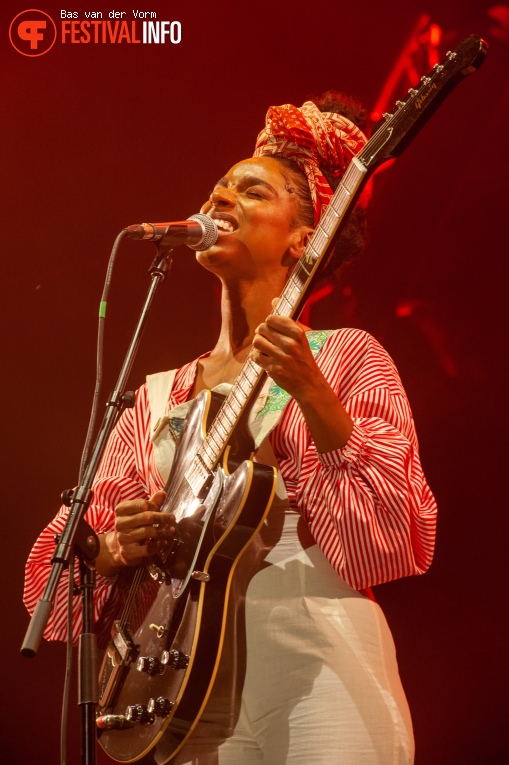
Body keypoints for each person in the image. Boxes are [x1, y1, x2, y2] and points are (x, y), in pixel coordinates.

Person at [24, 93, 437, 764]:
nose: (219, 201)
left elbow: (389, 543)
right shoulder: (155, 395)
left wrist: (311, 392)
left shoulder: (344, 357)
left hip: (319, 668)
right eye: (217, 190)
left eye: (251, 192)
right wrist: (113, 549)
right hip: (182, 682)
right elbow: (57, 586)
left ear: (307, 236)